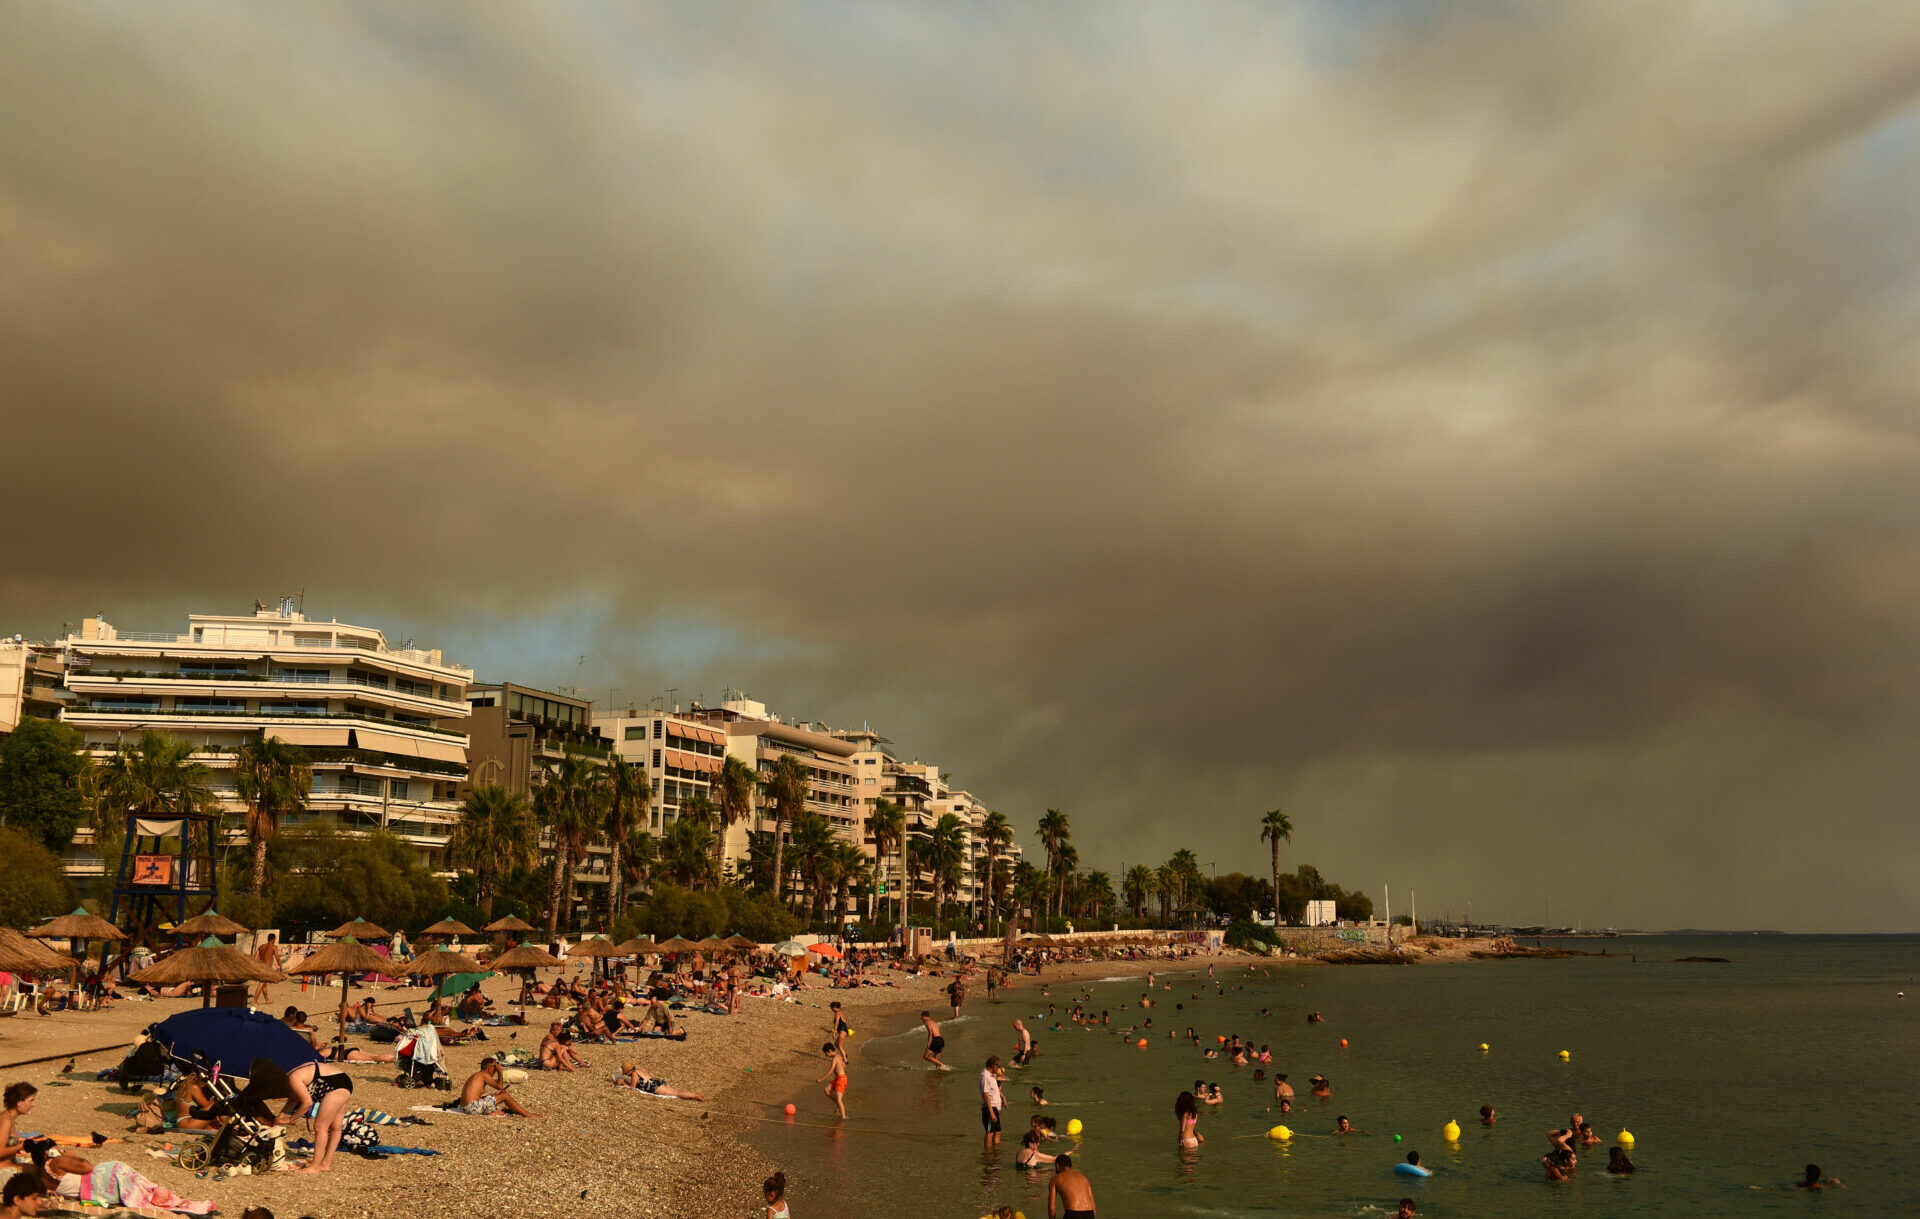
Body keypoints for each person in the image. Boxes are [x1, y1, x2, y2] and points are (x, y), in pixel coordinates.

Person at [25, 1139, 214, 1214]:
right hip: (104, 1180)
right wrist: (71, 1156)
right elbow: (88, 1166)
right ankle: (169, 1199)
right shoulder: (56, 1162)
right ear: (49, 1153)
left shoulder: (42, 1175)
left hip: (97, 1194)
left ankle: (163, 1200)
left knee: (142, 1189)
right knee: (142, 1184)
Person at [457, 1057, 537, 1116]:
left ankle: (494, 1112)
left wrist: (494, 1096)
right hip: (471, 1108)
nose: (495, 1070)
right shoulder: (484, 1074)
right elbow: (500, 1086)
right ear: (490, 1068)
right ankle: (528, 1115)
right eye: (495, 1068)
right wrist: (500, 1071)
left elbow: (476, 1097)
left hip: (465, 1107)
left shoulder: (477, 1075)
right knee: (505, 1095)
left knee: (497, 1095)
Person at [614, 1061, 706, 1100]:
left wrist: (623, 1083)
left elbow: (633, 1087)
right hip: (657, 1082)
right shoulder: (640, 1070)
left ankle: (696, 1096)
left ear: (629, 1071)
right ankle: (695, 1095)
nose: (626, 1075)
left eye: (626, 1073)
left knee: (677, 1094)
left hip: (655, 1087)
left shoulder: (634, 1074)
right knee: (676, 1092)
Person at [1046, 1153, 1096, 1219]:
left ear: (1057, 1166)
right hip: (1090, 1214)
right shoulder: (1084, 1178)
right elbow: (1093, 1206)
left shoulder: (1055, 1179)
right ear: (1071, 1167)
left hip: (1073, 1215)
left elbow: (1051, 1208)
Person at [2, 1083, 38, 1163]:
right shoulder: (6, 1121)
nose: (33, 1104)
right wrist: (22, 1146)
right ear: (19, 1102)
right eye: (31, 1100)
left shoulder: (9, 1117)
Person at [816, 1042, 848, 1120]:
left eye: (826, 1053)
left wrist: (821, 1079)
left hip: (841, 1079)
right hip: (837, 1079)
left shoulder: (835, 1058)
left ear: (829, 1051)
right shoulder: (839, 1056)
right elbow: (844, 1066)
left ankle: (844, 1117)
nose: (826, 1055)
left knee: (839, 1099)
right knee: (826, 1090)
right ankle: (838, 1103)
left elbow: (831, 1071)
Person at [980, 1056, 1005, 1148]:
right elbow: (986, 1095)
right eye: (998, 1066)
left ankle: (995, 1153)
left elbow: (995, 1089)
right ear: (993, 1065)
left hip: (995, 1107)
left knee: (997, 1132)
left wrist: (1003, 1097)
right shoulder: (985, 1076)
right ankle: (988, 1155)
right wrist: (991, 1112)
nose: (998, 1068)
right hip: (989, 1107)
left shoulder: (992, 1075)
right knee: (989, 1133)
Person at [252, 933, 281, 1006]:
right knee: (261, 984)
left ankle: (267, 1000)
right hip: (267, 968)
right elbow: (277, 957)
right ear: (273, 939)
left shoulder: (261, 947)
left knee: (264, 985)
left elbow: (255, 958)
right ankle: (255, 1001)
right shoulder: (274, 947)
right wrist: (280, 965)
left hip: (260, 967)